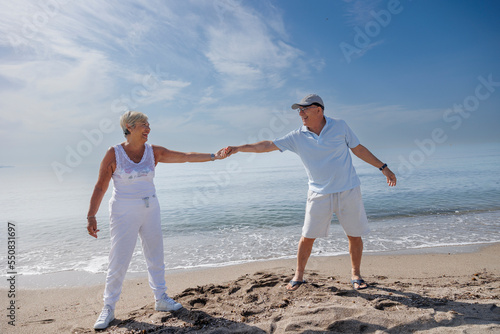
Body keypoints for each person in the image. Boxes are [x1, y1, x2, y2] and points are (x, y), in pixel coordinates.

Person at [226, 94, 396, 292]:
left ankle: (356, 274)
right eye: (299, 110)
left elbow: (358, 149)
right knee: (307, 236)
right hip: (318, 193)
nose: (301, 113)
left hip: (348, 190)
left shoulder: (340, 126)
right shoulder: (297, 136)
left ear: (319, 109)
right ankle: (298, 275)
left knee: (354, 235)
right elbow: (267, 145)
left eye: (304, 109)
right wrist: (238, 148)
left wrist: (383, 167)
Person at [87, 111, 228, 330]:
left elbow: (186, 156)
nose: (148, 129)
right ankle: (108, 307)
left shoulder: (153, 152)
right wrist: (91, 215)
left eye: (149, 125)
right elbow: (100, 186)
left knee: (155, 254)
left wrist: (214, 156)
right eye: (144, 124)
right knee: (119, 259)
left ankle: (161, 298)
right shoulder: (114, 153)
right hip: (123, 211)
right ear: (129, 126)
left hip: (151, 208)